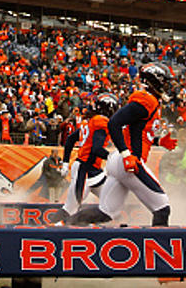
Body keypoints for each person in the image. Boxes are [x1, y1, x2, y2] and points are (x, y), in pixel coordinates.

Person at [73, 63, 178, 226]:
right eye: (164, 81)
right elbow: (114, 123)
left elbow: (138, 131)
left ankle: (65, 225)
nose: (166, 85)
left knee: (105, 213)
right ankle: (155, 250)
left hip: (121, 161)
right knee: (162, 208)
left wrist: (158, 141)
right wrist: (126, 154)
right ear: (154, 81)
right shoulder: (147, 100)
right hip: (129, 162)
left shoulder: (152, 102)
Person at [55, 92, 117, 224]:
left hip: (94, 170)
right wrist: (114, 157)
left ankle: (89, 226)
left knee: (112, 205)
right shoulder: (101, 121)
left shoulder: (90, 121)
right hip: (85, 169)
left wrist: (66, 162)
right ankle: (45, 229)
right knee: (70, 209)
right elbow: (96, 149)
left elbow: (71, 139)